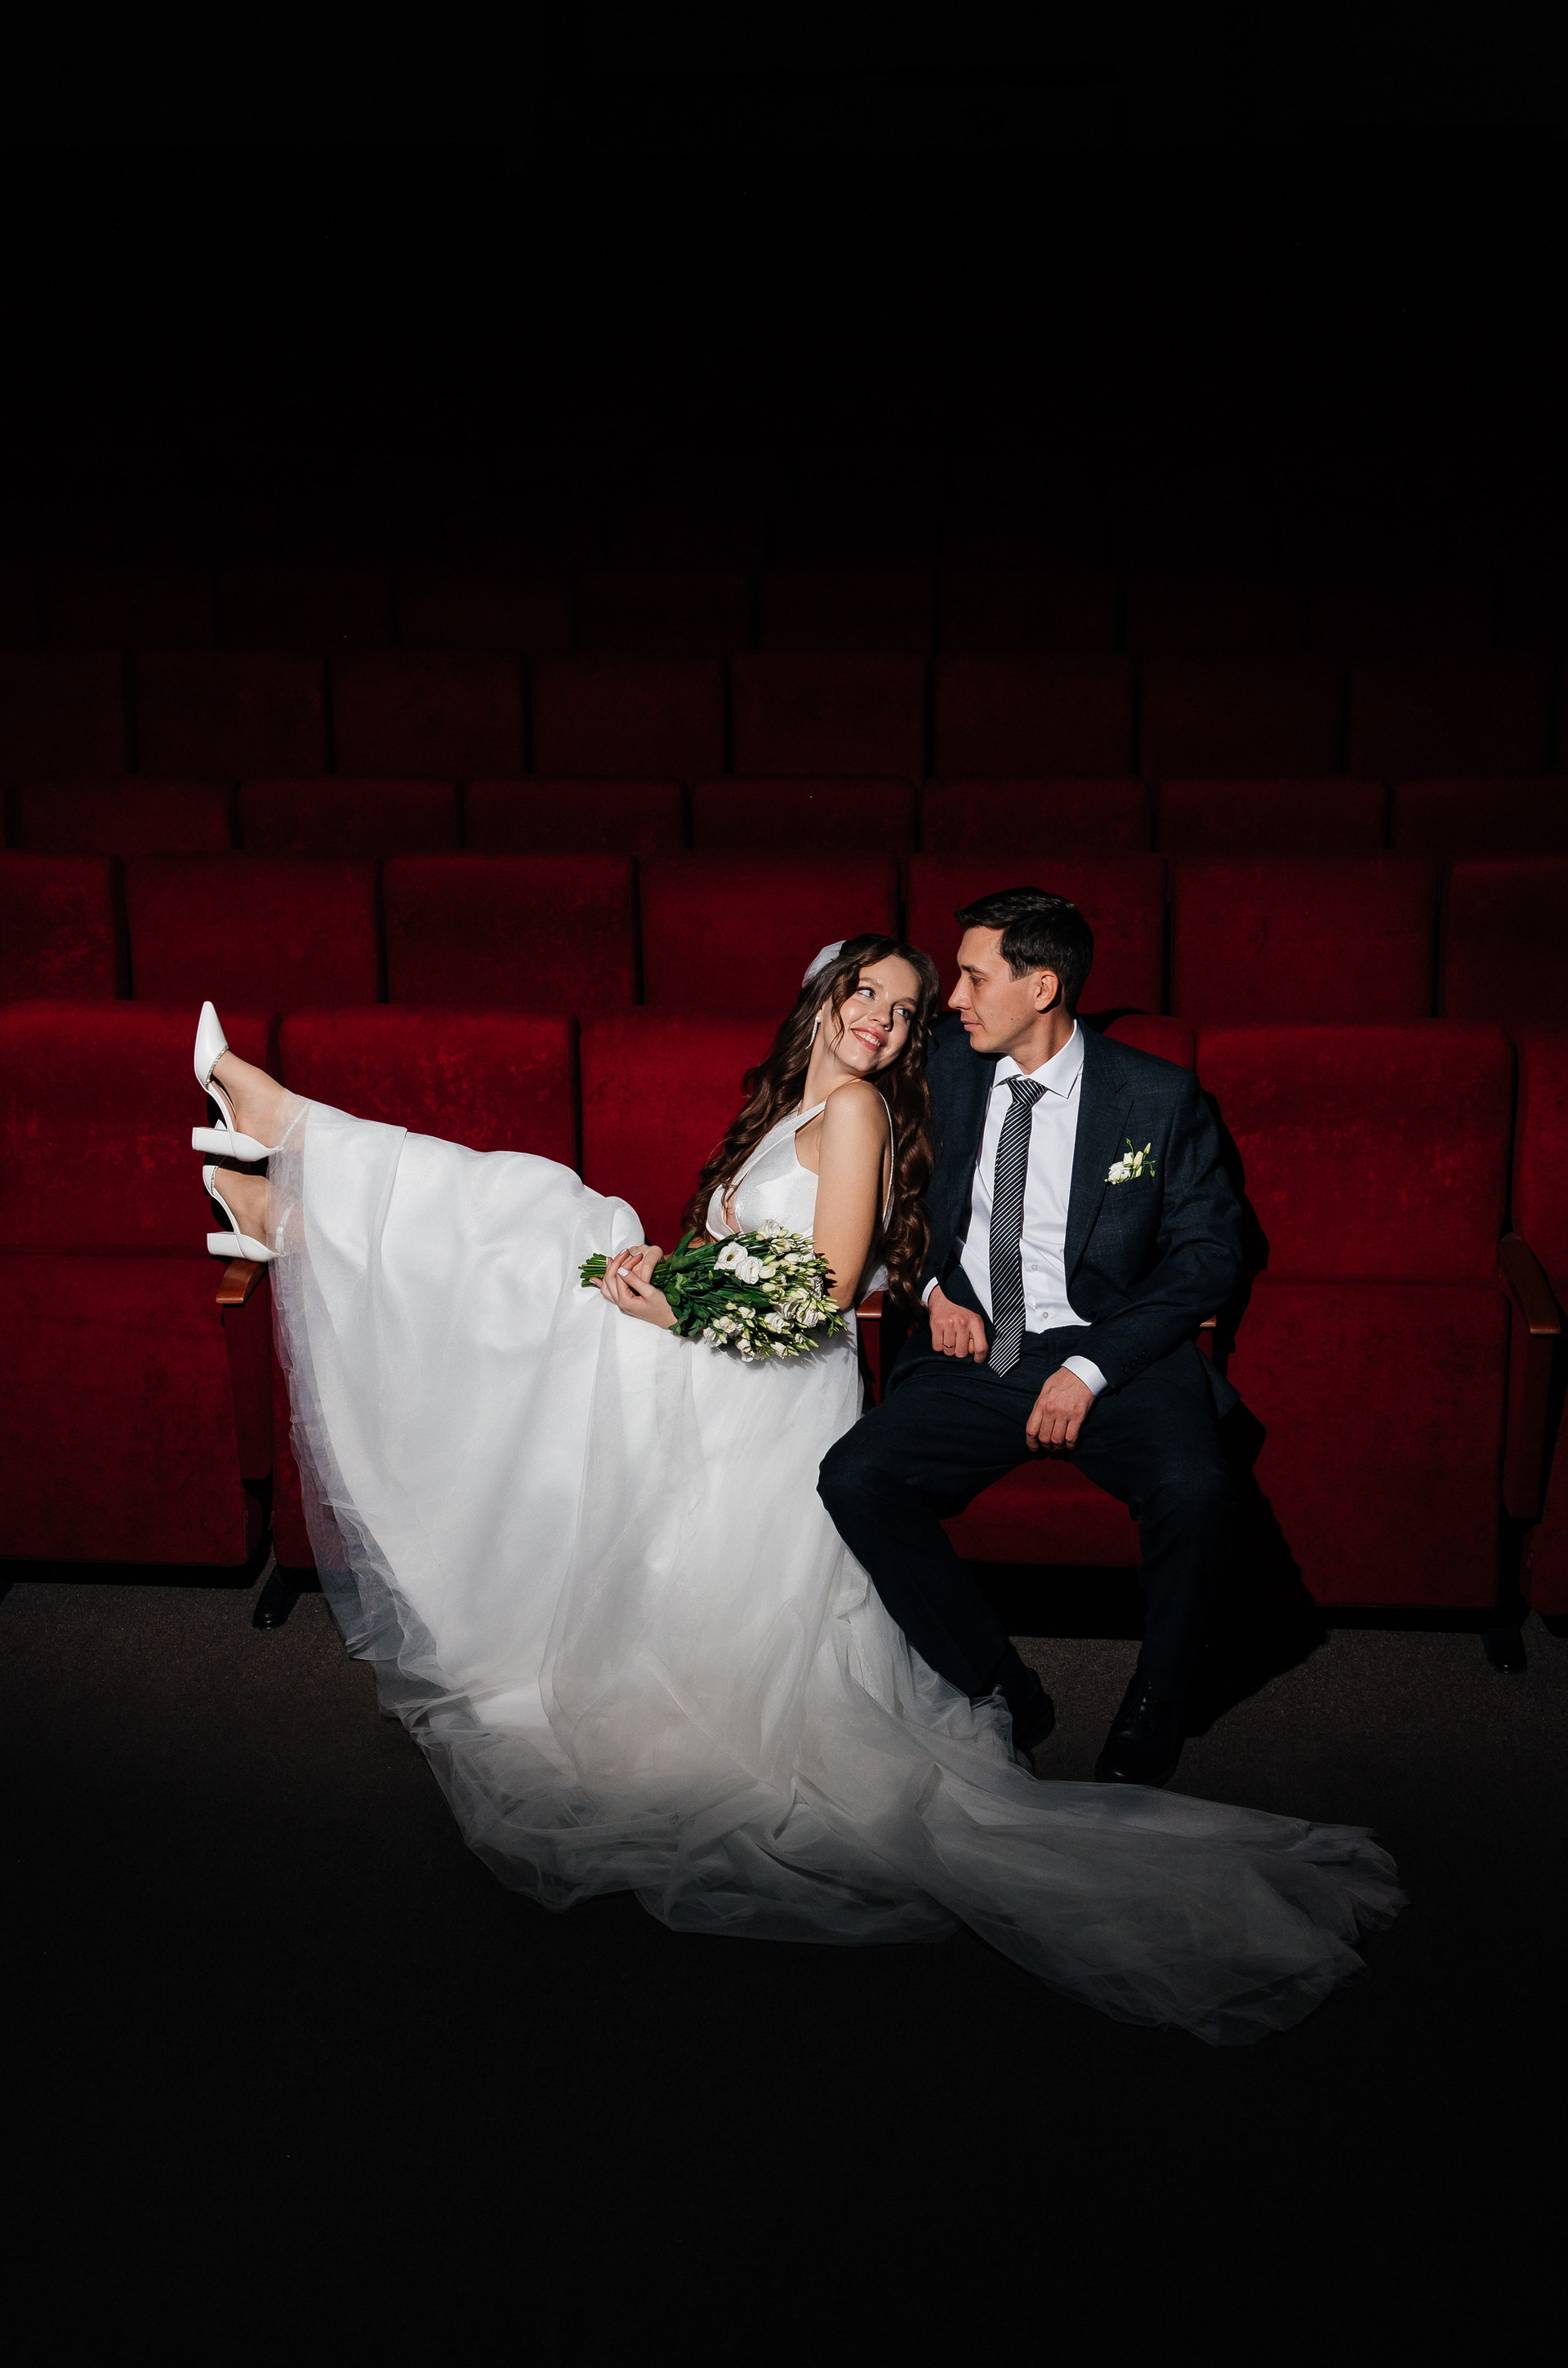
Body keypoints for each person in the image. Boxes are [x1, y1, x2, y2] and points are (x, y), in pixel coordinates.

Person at [189, 928, 1401, 2045]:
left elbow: (820, 1289)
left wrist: (677, 1300)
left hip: (765, 1383)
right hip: (726, 1356)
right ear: (821, 996)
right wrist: (675, 1275)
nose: (887, 1016)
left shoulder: (862, 1108)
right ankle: (292, 1199)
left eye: (907, 1008)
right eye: (867, 992)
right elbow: (782, 1258)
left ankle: (293, 1170)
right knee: (557, 1243)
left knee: (547, 1226)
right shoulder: (793, 1109)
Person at [820, 885, 1245, 1790]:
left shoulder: (1157, 1096)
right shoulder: (942, 1063)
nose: (954, 998)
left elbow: (1212, 1253)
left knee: (1197, 1487)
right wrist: (932, 1288)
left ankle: (1157, 1704)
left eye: (974, 978)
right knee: (855, 1476)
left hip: (1112, 1348)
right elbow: (885, 1193)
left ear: (1041, 986)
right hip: (978, 1343)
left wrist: (1092, 1368)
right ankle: (1000, 1685)